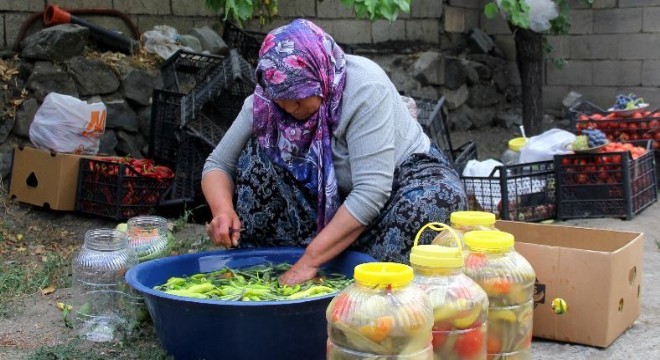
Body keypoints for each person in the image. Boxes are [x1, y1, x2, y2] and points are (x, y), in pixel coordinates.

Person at [201, 19, 467, 285]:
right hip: (325, 200)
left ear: (320, 75)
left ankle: (351, 277)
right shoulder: (266, 101)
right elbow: (218, 163)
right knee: (255, 156)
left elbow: (372, 191)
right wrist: (222, 210)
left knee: (433, 201)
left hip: (396, 187)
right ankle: (269, 262)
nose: (291, 107)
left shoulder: (364, 88)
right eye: (282, 99)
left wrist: (309, 262)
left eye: (299, 96)